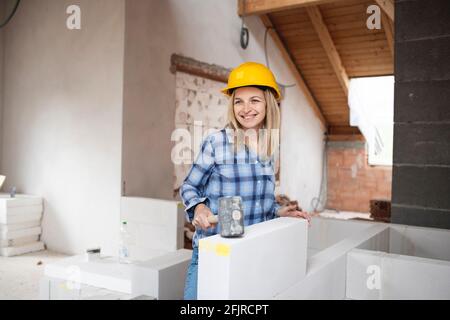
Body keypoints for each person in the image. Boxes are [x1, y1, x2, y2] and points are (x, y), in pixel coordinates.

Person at [179, 62, 311, 300]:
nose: (246, 108)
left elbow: (262, 205)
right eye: (239, 100)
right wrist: (198, 206)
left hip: (253, 251)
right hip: (215, 251)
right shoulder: (217, 142)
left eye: (255, 100)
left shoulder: (271, 147)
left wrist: (281, 213)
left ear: (268, 103)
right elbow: (189, 186)